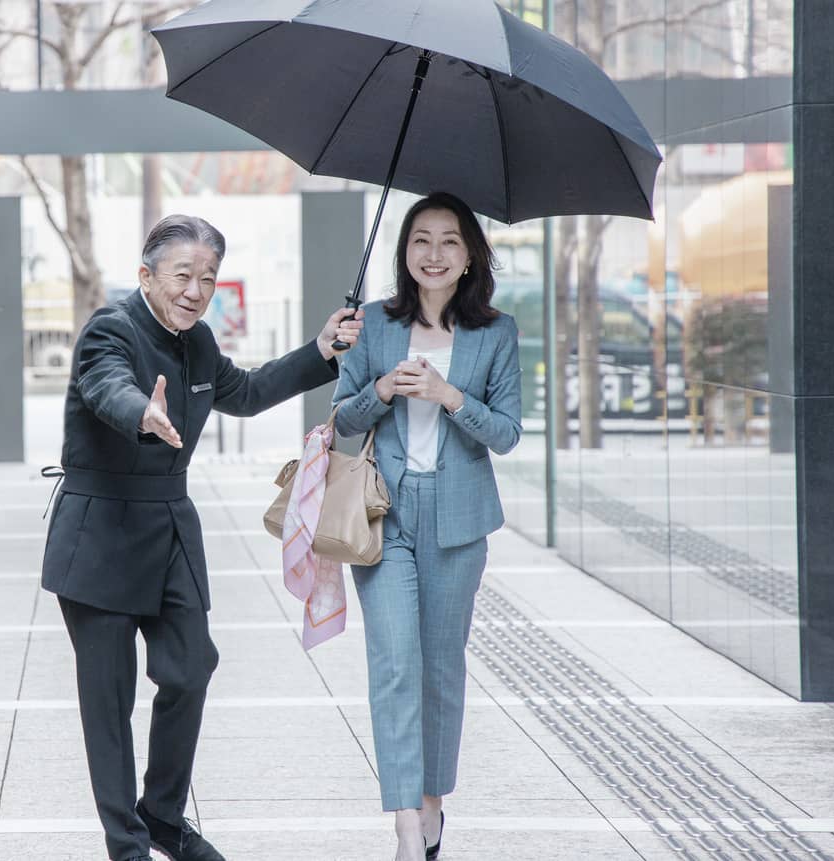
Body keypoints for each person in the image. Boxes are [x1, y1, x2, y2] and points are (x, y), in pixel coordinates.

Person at [42, 214, 362, 861]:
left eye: (207, 279)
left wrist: (321, 350)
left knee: (191, 666)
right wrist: (143, 411)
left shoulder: (199, 341)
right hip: (100, 530)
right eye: (183, 275)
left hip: (169, 530)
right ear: (147, 275)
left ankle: (161, 813)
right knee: (108, 699)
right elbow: (105, 384)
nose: (195, 290)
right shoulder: (112, 328)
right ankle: (127, 843)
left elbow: (242, 392)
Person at [330, 192, 522, 861]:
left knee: (441, 668)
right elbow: (342, 419)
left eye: (448, 241)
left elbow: (507, 433)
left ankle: (434, 802)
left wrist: (450, 397)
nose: (433, 253)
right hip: (384, 514)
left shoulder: (497, 333)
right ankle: (407, 823)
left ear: (469, 255)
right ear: (404, 251)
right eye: (420, 239)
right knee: (393, 662)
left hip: (460, 519)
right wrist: (381, 389)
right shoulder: (375, 325)